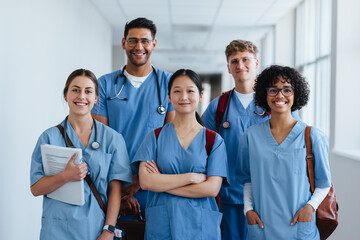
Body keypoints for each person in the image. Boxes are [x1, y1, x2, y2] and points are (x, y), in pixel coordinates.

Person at [30, 69, 133, 240]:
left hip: (95, 228)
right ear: (66, 95)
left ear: (96, 98)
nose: (81, 96)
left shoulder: (113, 139)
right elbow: (36, 188)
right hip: (57, 228)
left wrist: (108, 230)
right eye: (75, 90)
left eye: (88, 91)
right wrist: (65, 176)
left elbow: (115, 189)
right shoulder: (49, 137)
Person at [92, 17, 175, 220]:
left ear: (153, 44)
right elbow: (101, 140)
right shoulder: (104, 84)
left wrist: (138, 181)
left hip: (153, 184)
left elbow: (170, 138)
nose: (139, 46)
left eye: (145, 41)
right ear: (123, 43)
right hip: (113, 184)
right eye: (132, 40)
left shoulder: (169, 83)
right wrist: (122, 185)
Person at [236, 65, 331, 239]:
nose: (280, 95)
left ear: (296, 94)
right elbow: (247, 179)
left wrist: (310, 207)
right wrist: (248, 210)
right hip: (262, 227)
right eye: (273, 89)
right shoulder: (250, 136)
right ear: (265, 94)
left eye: (287, 89)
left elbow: (324, 183)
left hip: (298, 227)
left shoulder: (313, 136)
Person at [131, 69, 228, 239]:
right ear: (169, 97)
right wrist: (190, 177)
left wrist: (162, 182)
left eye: (190, 91)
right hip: (162, 225)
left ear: (200, 95)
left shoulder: (214, 140)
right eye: (177, 91)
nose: (183, 97)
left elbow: (212, 188)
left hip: (200, 226)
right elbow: (146, 182)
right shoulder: (154, 137)